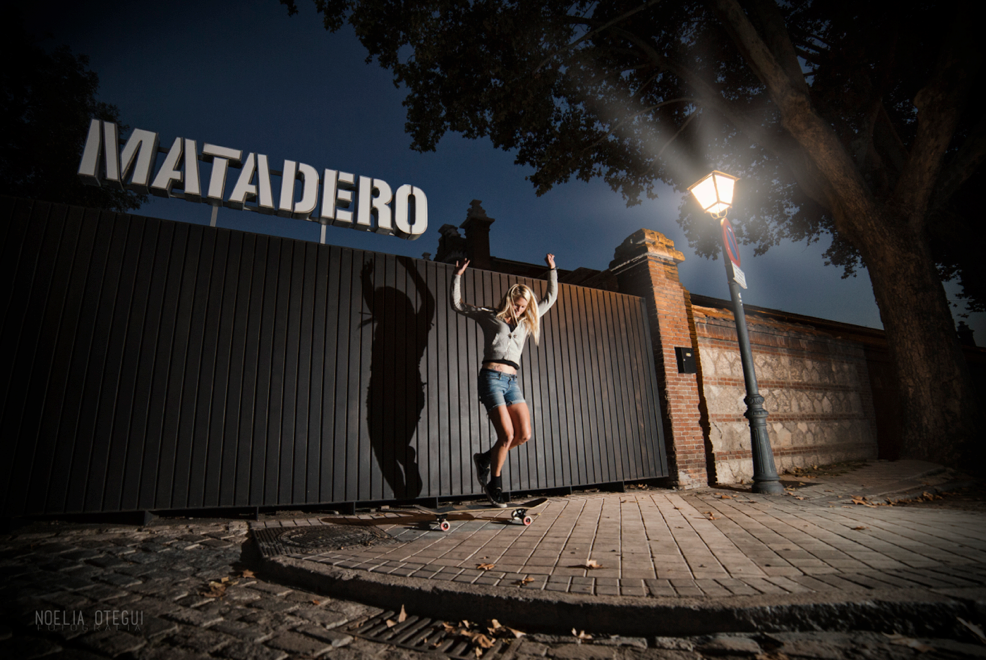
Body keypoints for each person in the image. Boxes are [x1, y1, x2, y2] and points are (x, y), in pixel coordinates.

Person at [451, 254, 558, 506]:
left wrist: (552, 270)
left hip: (512, 382)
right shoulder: (490, 316)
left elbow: (549, 299)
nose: (520, 309)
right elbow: (458, 305)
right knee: (507, 435)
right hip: (491, 379)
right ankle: (495, 484)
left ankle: (485, 458)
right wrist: (457, 276)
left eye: (523, 306)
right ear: (510, 300)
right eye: (517, 305)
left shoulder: (527, 320)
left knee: (523, 435)